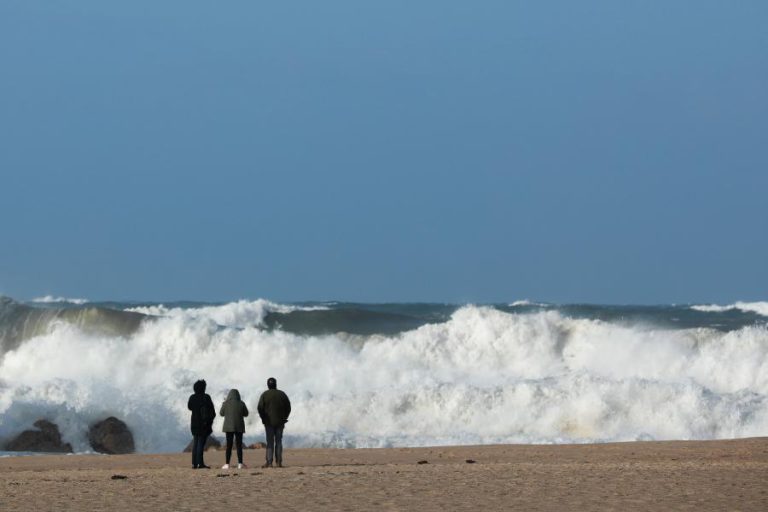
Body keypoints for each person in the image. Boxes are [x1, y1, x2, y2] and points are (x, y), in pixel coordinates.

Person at [257, 377, 291, 468]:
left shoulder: (265, 394)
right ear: (276, 384)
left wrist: (263, 418)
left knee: (270, 442)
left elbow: (260, 408)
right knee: (279, 442)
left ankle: (269, 462)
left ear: (268, 385)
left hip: (268, 423)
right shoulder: (282, 394)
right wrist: (285, 417)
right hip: (280, 422)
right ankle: (279, 462)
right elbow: (288, 407)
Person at [187, 379, 215, 469]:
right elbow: (212, 411)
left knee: (195, 443)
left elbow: (189, 407)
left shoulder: (192, 397)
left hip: (194, 423)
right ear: (203, 388)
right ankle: (200, 463)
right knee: (200, 444)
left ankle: (194, 464)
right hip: (204, 424)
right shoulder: (206, 397)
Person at [219, 388, 249, 469]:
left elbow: (221, 413)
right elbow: (246, 414)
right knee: (239, 445)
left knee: (229, 445)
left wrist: (224, 404)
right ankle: (240, 464)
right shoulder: (241, 403)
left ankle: (227, 464)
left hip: (228, 427)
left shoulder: (226, 403)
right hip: (239, 426)